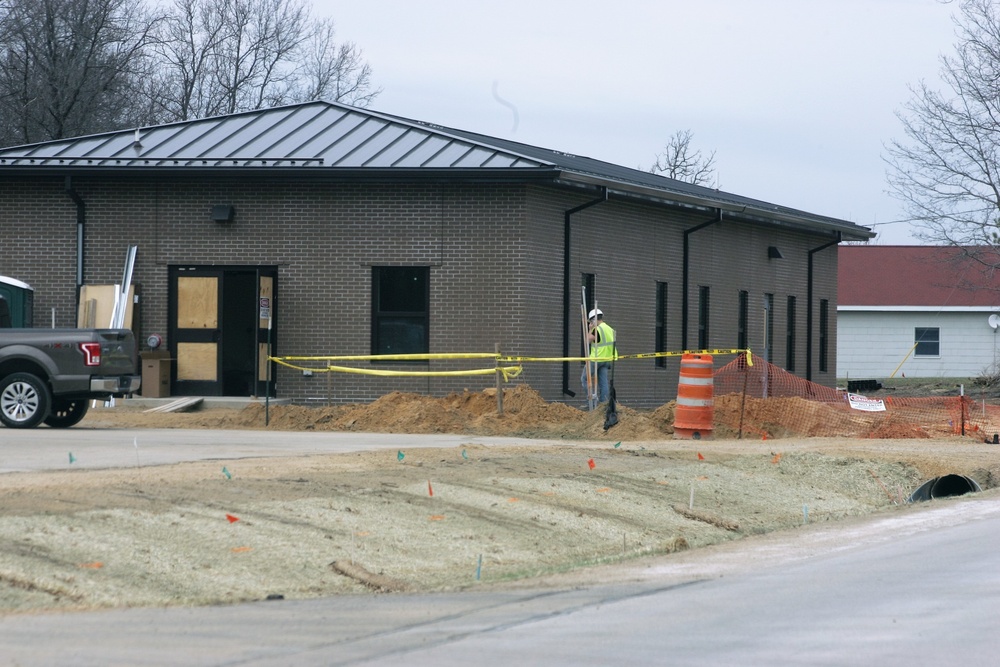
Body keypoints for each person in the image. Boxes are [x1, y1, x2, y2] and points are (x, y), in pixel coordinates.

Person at [581, 308, 616, 404]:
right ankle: (603, 404)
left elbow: (587, 341)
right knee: (603, 382)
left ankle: (591, 401)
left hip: (596, 358)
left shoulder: (596, 329)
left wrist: (590, 329)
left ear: (593, 320)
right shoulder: (610, 329)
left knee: (585, 379)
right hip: (606, 359)